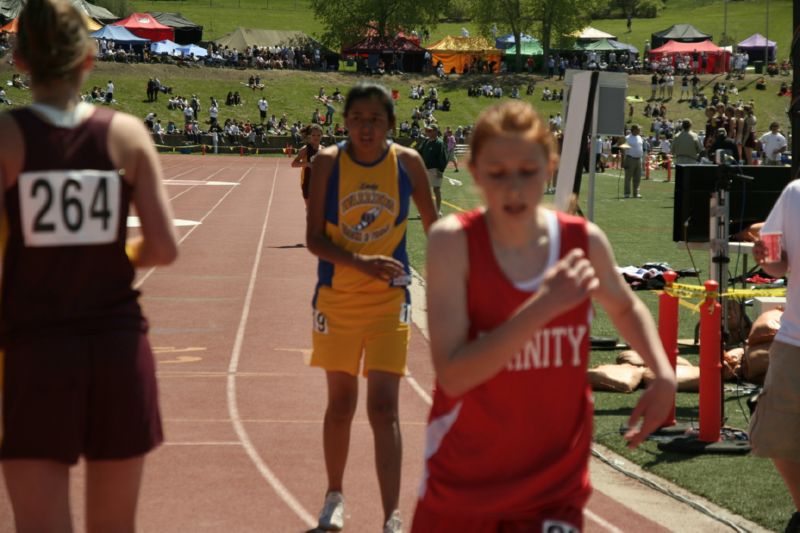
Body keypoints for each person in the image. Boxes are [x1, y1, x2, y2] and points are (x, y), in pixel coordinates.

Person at [411, 101, 675, 532]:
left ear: (550, 167)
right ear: (474, 173)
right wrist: (542, 307)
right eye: (497, 173)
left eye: (527, 172)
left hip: (555, 487)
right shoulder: (453, 243)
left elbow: (624, 305)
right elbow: (454, 374)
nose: (513, 187)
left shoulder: (581, 241)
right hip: (466, 482)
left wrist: (661, 371)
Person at [0, 1, 179, 531]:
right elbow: (165, 249)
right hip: (117, 350)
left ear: (19, 59)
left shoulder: (7, 140)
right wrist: (110, 254)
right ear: (90, 56)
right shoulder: (126, 135)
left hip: (34, 352)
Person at [305, 82, 438, 533]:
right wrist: (359, 262)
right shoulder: (328, 162)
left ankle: (391, 516)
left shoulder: (408, 163)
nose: (366, 128)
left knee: (384, 409)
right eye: (357, 119)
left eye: (375, 120)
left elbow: (436, 230)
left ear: (391, 126)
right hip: (338, 298)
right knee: (341, 404)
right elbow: (313, 239)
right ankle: (334, 495)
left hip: (388, 301)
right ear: (344, 122)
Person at [750, 177, 800, 533]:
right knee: (776, 435)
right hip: (795, 339)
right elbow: (775, 264)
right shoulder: (795, 193)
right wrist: (767, 258)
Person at [417, 123, 448, 215]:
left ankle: (438, 210)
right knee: (424, 191)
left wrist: (440, 170)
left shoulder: (440, 143)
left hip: (435, 170)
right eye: (426, 130)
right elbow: (419, 152)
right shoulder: (426, 141)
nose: (427, 132)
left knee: (436, 189)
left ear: (435, 131)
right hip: (424, 169)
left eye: (429, 131)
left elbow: (443, 157)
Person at [291, 123, 323, 208]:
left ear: (322, 136)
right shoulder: (305, 149)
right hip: (307, 183)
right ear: (309, 136)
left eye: (318, 135)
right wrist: (307, 164)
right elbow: (294, 164)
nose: (316, 137)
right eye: (313, 135)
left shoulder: (324, 149)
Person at [622, 124, 645, 198]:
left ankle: (636, 193)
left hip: (639, 159)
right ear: (634, 130)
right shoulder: (627, 138)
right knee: (628, 177)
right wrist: (623, 161)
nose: (640, 131)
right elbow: (623, 150)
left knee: (637, 178)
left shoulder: (639, 137)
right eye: (638, 129)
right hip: (630, 159)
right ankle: (627, 193)